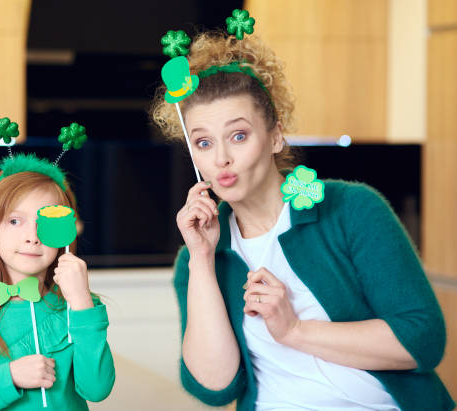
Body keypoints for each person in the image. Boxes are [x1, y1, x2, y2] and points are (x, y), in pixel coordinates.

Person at [151, 28, 454, 411]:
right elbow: (214, 389)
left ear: (276, 136)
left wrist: (294, 331)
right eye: (204, 143)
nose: (221, 158)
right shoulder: (199, 259)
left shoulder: (352, 209)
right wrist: (201, 260)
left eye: (239, 136)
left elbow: (422, 339)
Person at [0, 154, 115, 410]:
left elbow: (97, 389)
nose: (32, 237)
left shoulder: (79, 307)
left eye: (46, 223)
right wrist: (9, 377)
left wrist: (82, 303)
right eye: (15, 221)